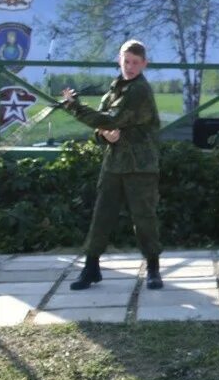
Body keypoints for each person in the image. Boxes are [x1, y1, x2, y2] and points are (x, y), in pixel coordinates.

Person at [61, 40, 163, 291]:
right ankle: (91, 267)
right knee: (102, 215)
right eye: (126, 61)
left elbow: (111, 119)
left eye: (135, 62)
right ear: (119, 60)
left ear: (144, 64)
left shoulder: (139, 90)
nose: (129, 67)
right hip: (114, 164)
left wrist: (75, 107)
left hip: (140, 165)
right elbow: (102, 127)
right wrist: (104, 135)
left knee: (144, 218)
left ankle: (153, 268)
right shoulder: (114, 89)